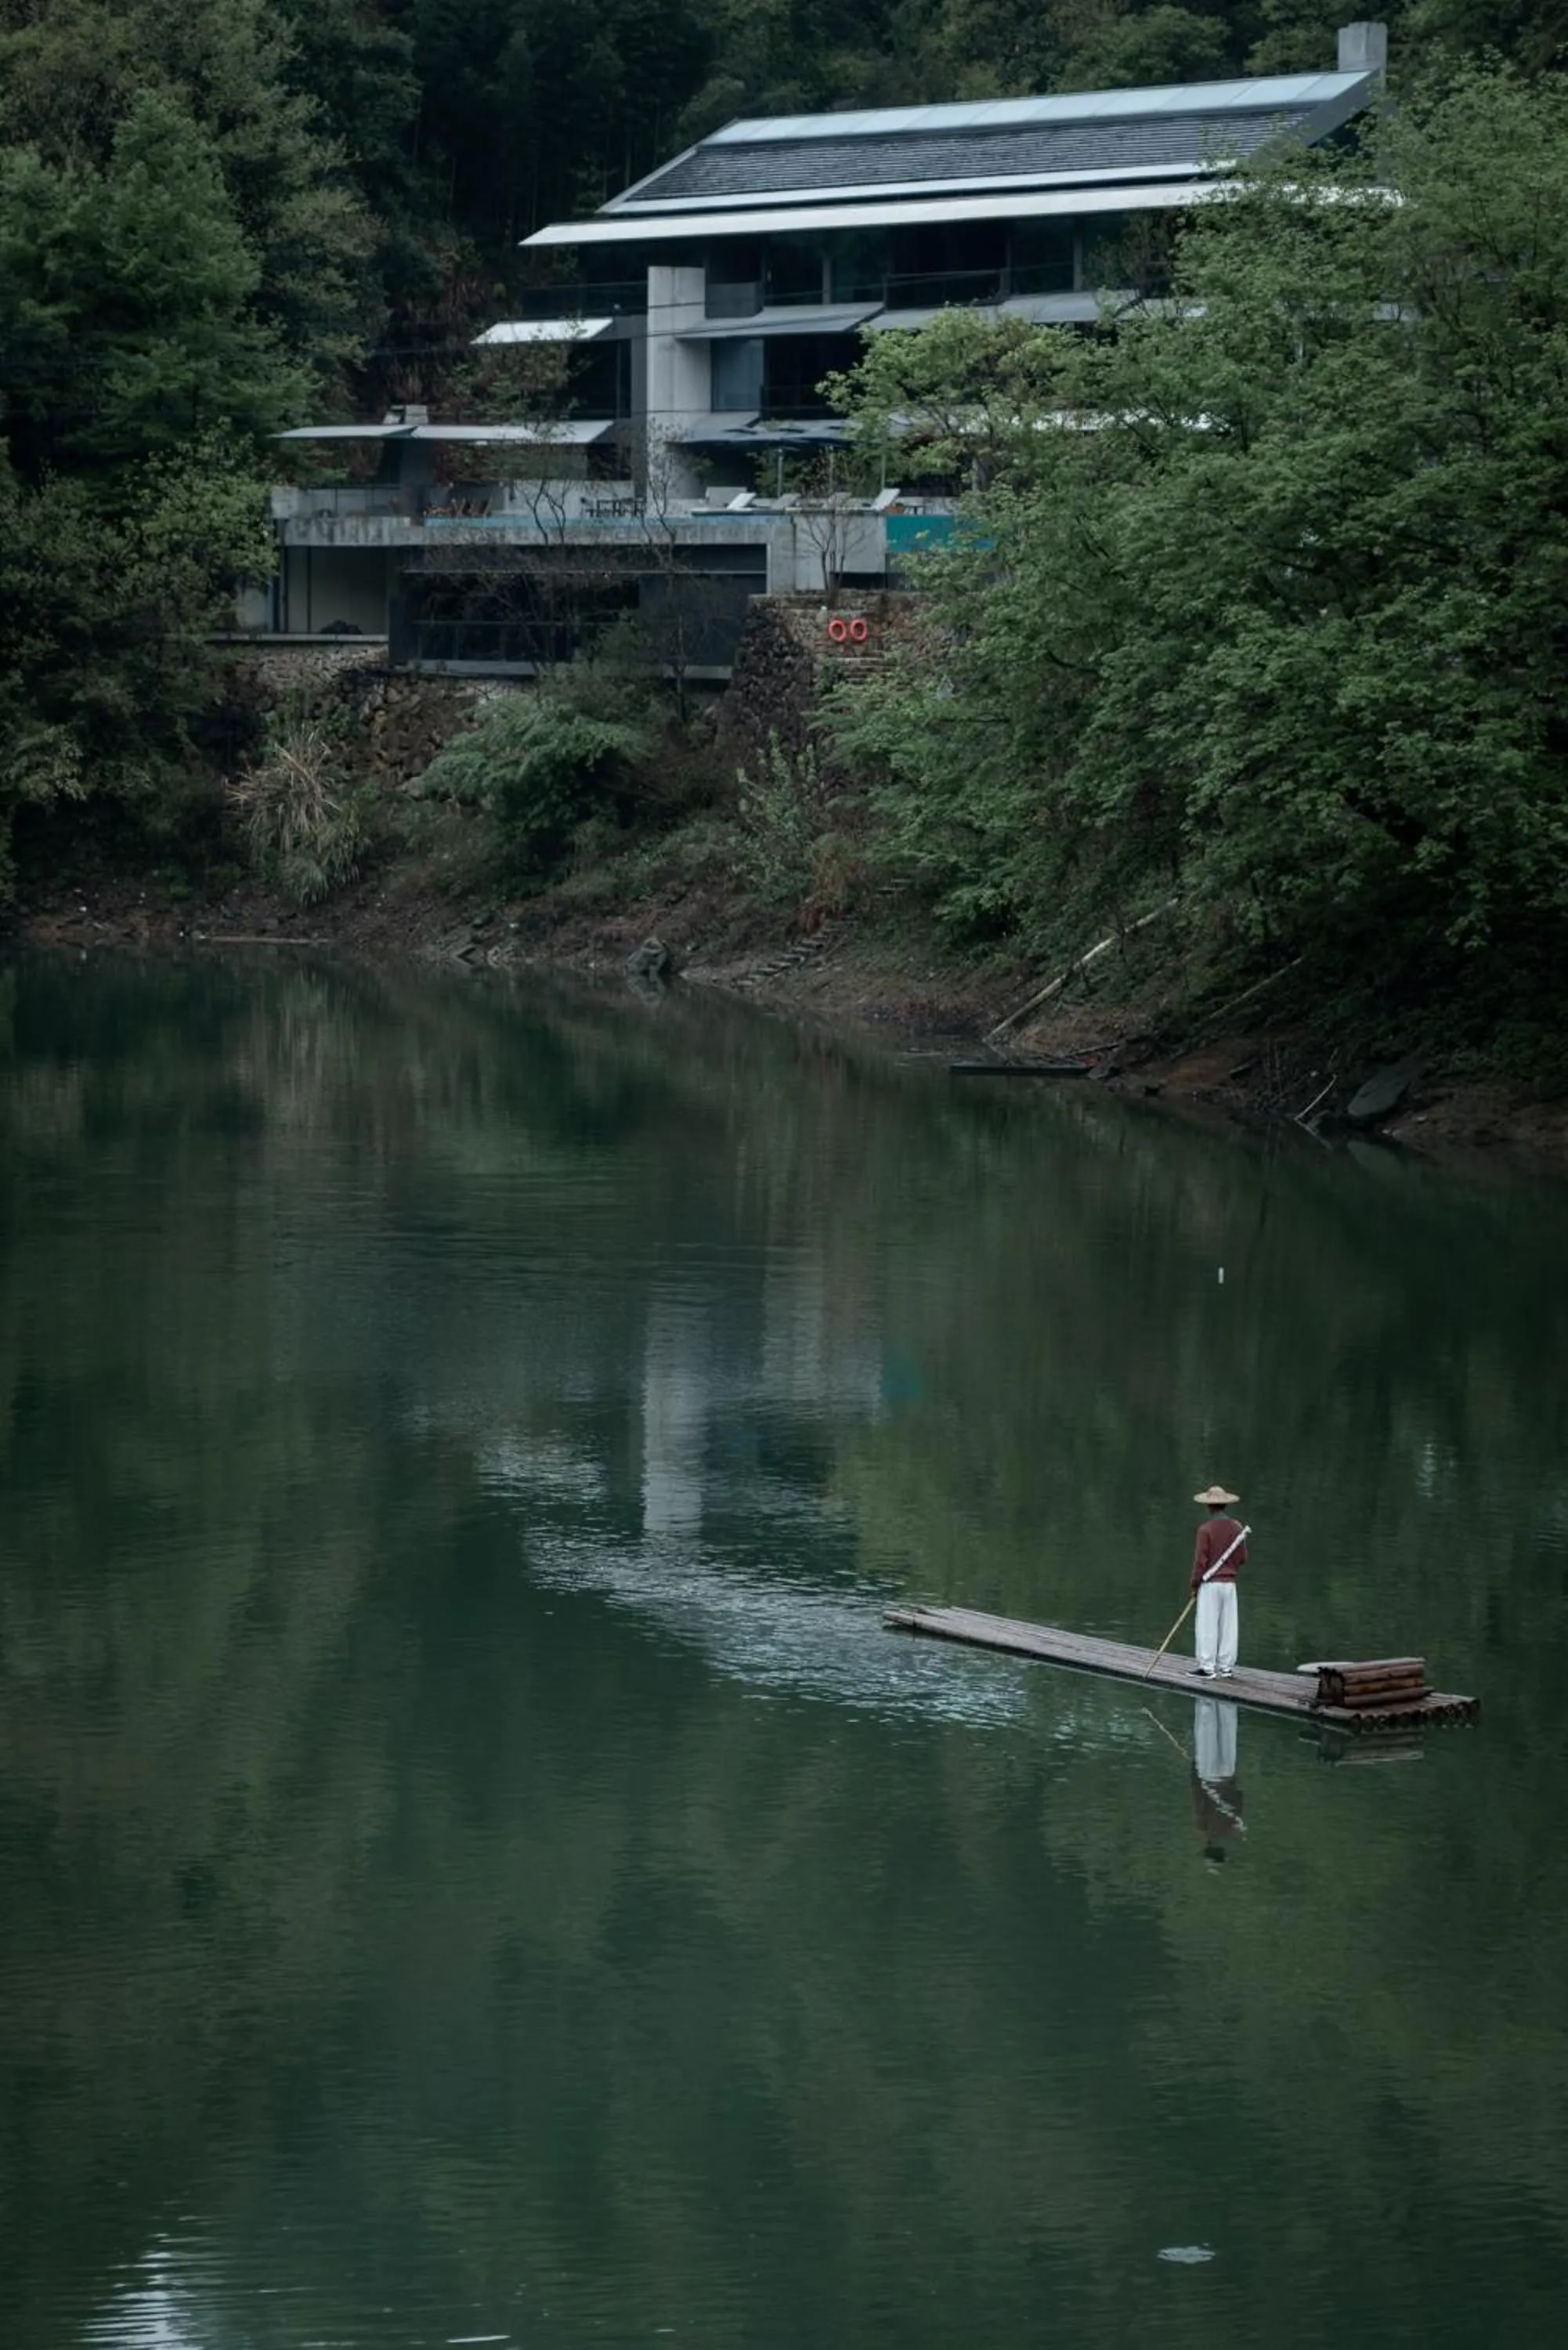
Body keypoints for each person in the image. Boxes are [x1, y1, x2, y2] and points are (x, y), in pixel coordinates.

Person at [1190, 1484, 1246, 1678]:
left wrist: (1195, 1584)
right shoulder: (1238, 1528)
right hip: (1230, 1584)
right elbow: (1243, 1558)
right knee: (1228, 1626)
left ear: (1209, 1506)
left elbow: (1200, 1561)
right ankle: (1226, 1667)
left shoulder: (1205, 1529)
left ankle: (1207, 1667)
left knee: (1207, 1625)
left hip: (1211, 1583)